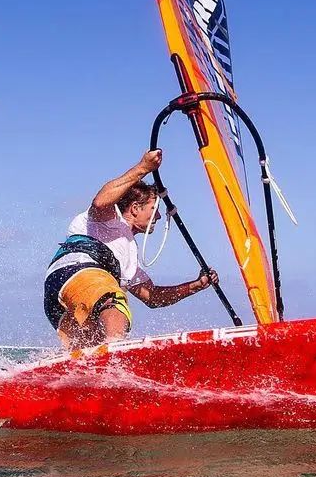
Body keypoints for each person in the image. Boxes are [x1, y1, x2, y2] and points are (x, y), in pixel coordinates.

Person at [44, 149, 219, 349]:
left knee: (90, 349)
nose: (159, 217)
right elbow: (99, 202)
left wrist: (196, 285)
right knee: (114, 303)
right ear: (135, 208)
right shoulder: (109, 219)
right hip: (77, 272)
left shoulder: (127, 260)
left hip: (56, 297)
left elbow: (152, 297)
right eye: (154, 210)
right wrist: (143, 168)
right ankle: (116, 356)